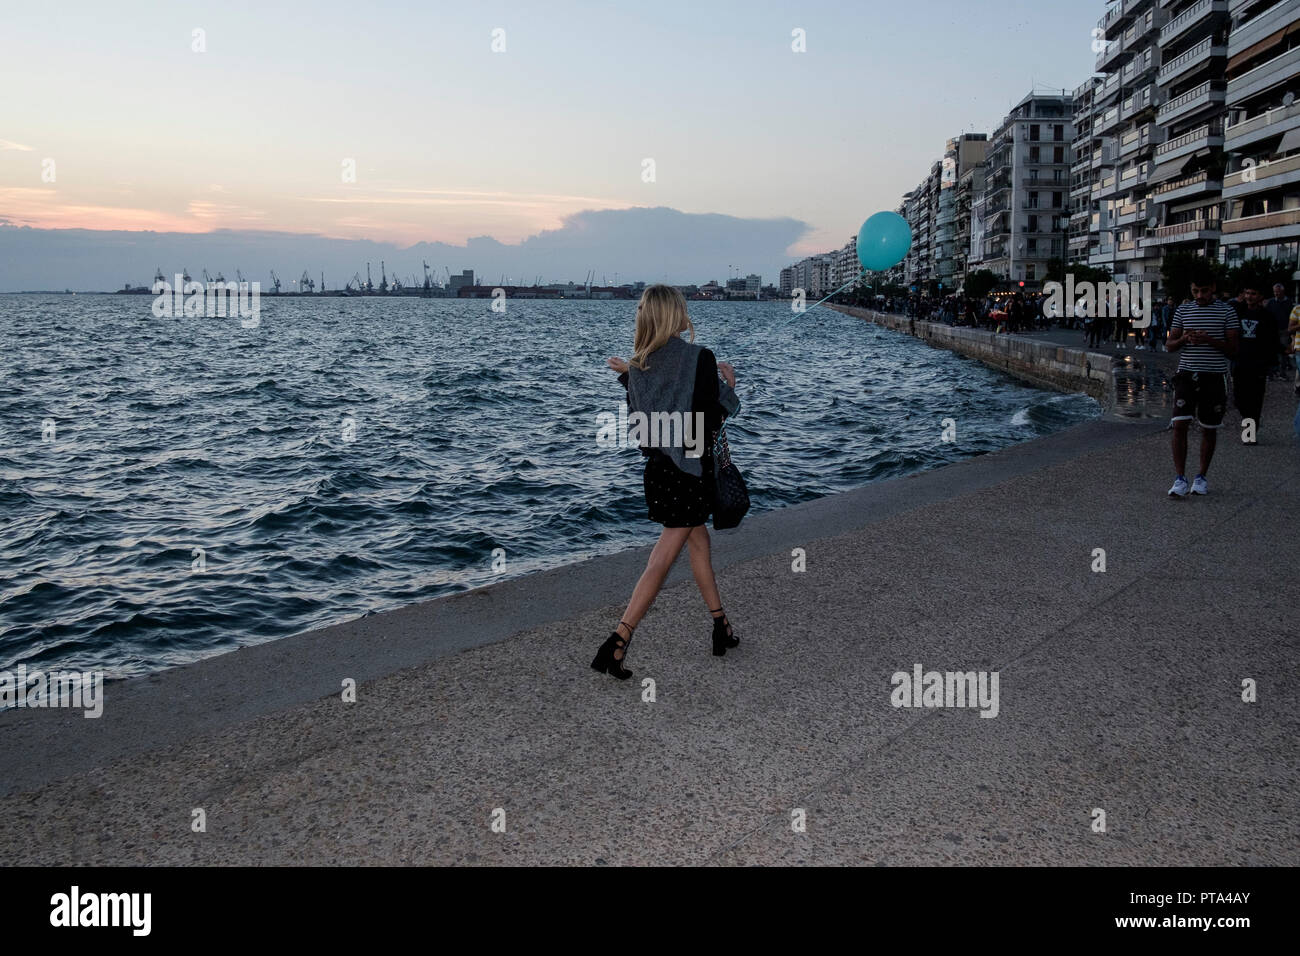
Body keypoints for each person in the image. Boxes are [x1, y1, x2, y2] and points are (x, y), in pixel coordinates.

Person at [593, 285, 741, 680]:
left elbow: (644, 422)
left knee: (699, 545)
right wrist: (730, 385)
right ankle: (618, 641)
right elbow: (712, 421)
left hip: (658, 473)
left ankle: (720, 627)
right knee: (661, 560)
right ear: (676, 315)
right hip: (690, 475)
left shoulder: (638, 365)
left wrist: (628, 376)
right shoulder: (701, 358)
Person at [1166, 272, 1240, 498]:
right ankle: (1180, 478)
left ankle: (1201, 477)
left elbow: (1234, 348)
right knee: (1179, 424)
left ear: (1213, 288)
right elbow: (1169, 345)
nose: (1200, 295)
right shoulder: (1183, 310)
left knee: (1209, 427)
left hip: (1214, 376)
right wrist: (1184, 339)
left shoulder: (1227, 311)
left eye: (1205, 291)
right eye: (1196, 291)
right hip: (1187, 375)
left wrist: (1208, 339)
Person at [1232, 284, 1283, 443]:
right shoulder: (1238, 312)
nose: (1249, 296)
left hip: (1258, 363)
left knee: (1255, 400)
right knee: (1238, 398)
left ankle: (1250, 434)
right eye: (1247, 293)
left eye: (1253, 293)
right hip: (1239, 361)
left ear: (1260, 296)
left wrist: (1280, 352)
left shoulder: (1267, 316)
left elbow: (1273, 339)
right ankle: (1248, 420)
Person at [1266, 283, 1293, 380]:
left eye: (1278, 291)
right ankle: (1270, 374)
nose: (1276, 293)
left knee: (1283, 353)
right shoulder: (1271, 302)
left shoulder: (1289, 302)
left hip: (1284, 331)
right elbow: (1266, 316)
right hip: (1272, 331)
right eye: (1274, 292)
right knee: (1271, 352)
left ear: (1282, 291)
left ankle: (1282, 373)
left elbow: (1291, 316)